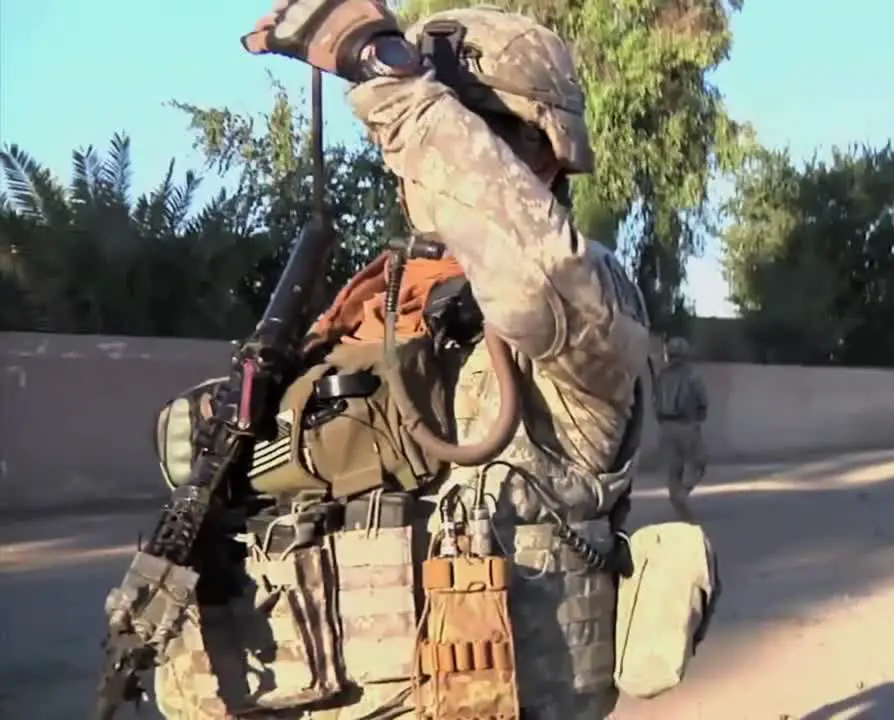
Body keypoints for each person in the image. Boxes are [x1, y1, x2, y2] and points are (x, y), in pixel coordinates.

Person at [153, 4, 657, 719]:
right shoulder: (377, 302)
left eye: (463, 130)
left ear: (540, 155)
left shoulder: (581, 299)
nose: (412, 158)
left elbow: (531, 264)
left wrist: (386, 75)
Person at [653, 336, 709, 521]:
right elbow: (702, 400)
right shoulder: (692, 374)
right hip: (687, 425)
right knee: (699, 464)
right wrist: (700, 417)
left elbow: (655, 401)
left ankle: (677, 501)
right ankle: (683, 493)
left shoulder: (662, 376)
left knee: (674, 468)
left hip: (666, 427)